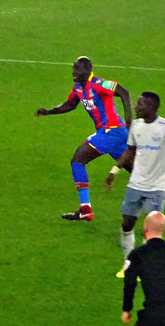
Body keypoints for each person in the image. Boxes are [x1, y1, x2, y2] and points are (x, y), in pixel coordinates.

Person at [35, 56, 133, 221]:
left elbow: (124, 92)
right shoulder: (78, 88)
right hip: (111, 133)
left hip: (112, 131)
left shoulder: (98, 84)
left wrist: (129, 122)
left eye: (77, 69)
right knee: (139, 172)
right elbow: (70, 104)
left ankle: (85, 209)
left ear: (87, 70)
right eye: (73, 69)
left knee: (78, 160)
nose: (73, 72)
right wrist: (49, 111)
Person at [111, 92, 165, 278]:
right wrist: (114, 171)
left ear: (152, 108)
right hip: (135, 184)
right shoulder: (136, 126)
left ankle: (146, 266)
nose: (136, 107)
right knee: (127, 223)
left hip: (156, 187)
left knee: (152, 231)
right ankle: (129, 263)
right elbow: (130, 151)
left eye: (140, 104)